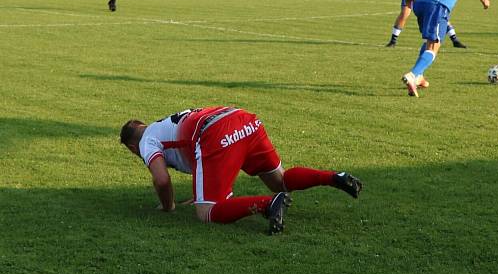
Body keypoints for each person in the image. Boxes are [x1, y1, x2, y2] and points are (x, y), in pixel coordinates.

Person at [119, 106, 363, 234]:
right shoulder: (160, 125)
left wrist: (167, 205)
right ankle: (333, 177)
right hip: (243, 119)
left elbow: (161, 180)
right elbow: (196, 159)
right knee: (281, 181)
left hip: (215, 133)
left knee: (206, 212)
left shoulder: (145, 141)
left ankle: (268, 205)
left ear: (132, 146)